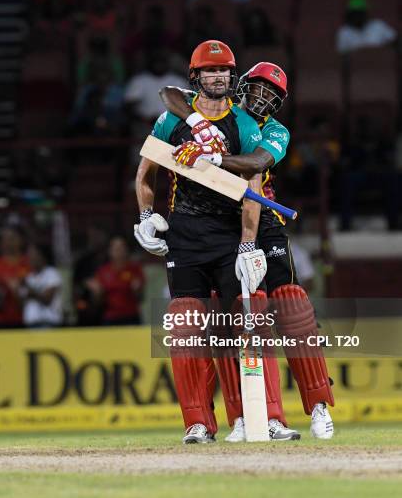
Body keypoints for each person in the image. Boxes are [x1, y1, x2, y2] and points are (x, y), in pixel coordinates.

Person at [160, 61, 335, 440]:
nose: (261, 98)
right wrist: (198, 125)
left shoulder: (273, 130)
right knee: (228, 318)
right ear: (242, 86)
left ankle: (318, 404)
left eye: (270, 94)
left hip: (264, 222)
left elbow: (257, 162)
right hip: (218, 228)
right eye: (256, 88)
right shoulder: (218, 112)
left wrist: (215, 158)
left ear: (278, 103)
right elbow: (169, 96)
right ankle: (243, 418)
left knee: (291, 304)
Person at [135, 40, 296, 443]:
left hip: (228, 234)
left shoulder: (243, 123)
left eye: (224, 70)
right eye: (210, 71)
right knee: (187, 322)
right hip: (186, 234)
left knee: (244, 324)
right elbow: (147, 170)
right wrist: (144, 216)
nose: (218, 76)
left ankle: (259, 418)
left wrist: (247, 243)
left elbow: (254, 178)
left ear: (232, 76)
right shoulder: (174, 116)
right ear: (197, 77)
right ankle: (197, 424)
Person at [87, 236, 144, 326]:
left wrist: (137, 289)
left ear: (126, 250)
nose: (119, 251)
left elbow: (141, 297)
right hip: (110, 317)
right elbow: (97, 301)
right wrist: (97, 292)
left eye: (121, 248)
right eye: (116, 248)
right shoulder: (103, 271)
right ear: (110, 251)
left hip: (131, 316)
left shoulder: (135, 269)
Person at [20, 244, 64, 328]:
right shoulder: (29, 277)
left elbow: (47, 299)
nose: (30, 258)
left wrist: (28, 288)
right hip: (30, 324)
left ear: (43, 256)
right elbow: (22, 303)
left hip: (48, 324)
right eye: (29, 255)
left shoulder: (52, 273)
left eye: (34, 255)